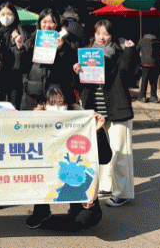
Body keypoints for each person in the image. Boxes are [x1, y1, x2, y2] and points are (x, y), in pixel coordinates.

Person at [26, 86, 112, 231]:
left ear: (68, 105)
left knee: (88, 217)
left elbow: (105, 158)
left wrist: (96, 131)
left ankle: (75, 209)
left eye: (61, 104)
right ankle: (41, 212)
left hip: (74, 179)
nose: (57, 108)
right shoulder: (35, 127)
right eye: (52, 104)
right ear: (44, 105)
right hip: (47, 176)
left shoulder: (82, 125)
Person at [73, 19, 136, 208]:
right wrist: (77, 72)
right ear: (94, 34)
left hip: (117, 109)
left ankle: (123, 192)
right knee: (103, 153)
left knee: (120, 153)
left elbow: (128, 75)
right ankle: (107, 185)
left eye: (106, 33)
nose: (102, 37)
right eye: (99, 33)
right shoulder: (86, 54)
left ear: (112, 36)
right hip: (96, 111)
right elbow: (79, 87)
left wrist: (129, 51)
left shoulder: (119, 52)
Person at [20, 8, 76, 110]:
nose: (47, 25)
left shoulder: (66, 44)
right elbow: (22, 66)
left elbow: (68, 68)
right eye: (44, 22)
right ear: (39, 23)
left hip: (55, 95)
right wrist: (20, 49)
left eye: (51, 22)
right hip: (33, 93)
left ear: (57, 24)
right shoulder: (30, 42)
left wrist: (61, 50)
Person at [0, 2, 27, 109]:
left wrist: (19, 47)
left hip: (14, 80)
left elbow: (24, 63)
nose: (6, 17)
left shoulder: (21, 34)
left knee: (14, 110)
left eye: (9, 14)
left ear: (15, 16)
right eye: (3, 14)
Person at [136, 32, 160, 103]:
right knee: (153, 81)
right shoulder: (157, 42)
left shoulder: (142, 41)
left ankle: (142, 97)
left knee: (144, 80)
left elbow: (136, 49)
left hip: (145, 64)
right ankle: (153, 97)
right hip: (155, 64)